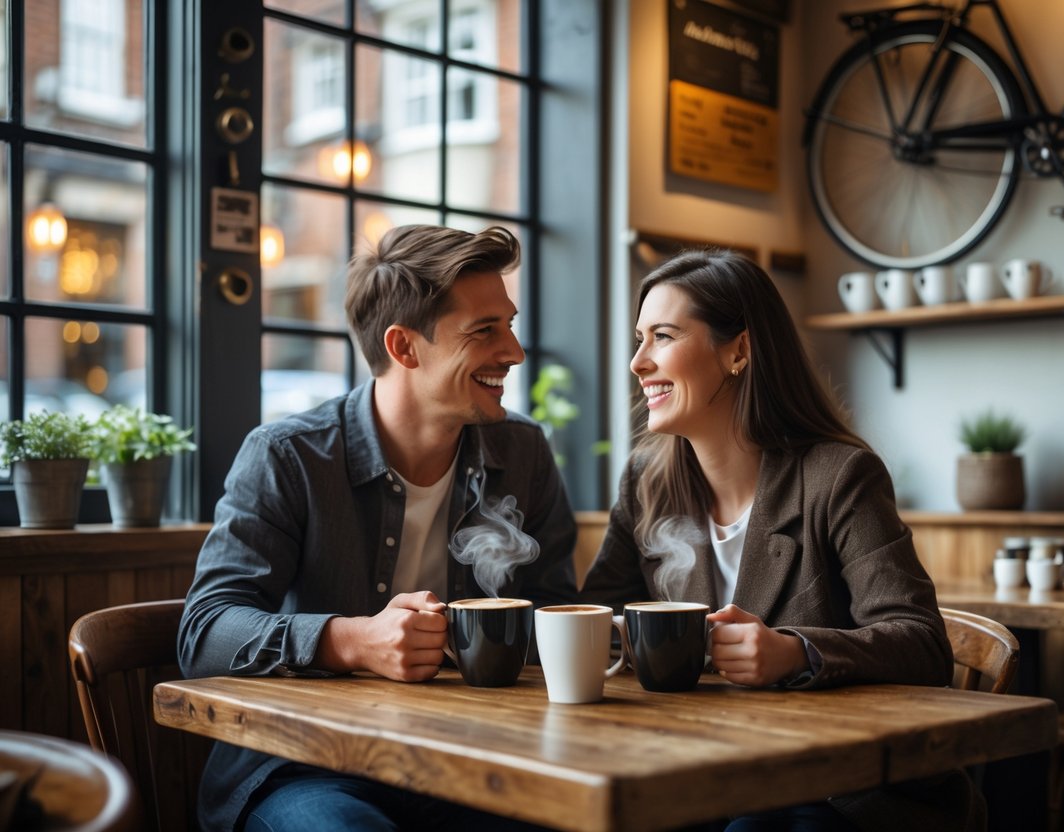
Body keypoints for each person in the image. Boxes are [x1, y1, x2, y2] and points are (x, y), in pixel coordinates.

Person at [179, 225, 577, 831]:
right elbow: (205, 633)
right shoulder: (288, 456)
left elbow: (554, 610)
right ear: (404, 346)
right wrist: (353, 641)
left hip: (475, 762)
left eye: (510, 325)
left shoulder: (521, 452)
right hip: (304, 765)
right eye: (484, 331)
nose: (514, 352)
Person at [581, 250, 981, 832]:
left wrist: (796, 652)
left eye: (662, 337)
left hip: (834, 792)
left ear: (738, 351)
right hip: (691, 767)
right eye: (639, 340)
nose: (638, 362)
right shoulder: (647, 481)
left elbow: (924, 645)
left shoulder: (839, 476)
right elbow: (600, 622)